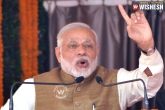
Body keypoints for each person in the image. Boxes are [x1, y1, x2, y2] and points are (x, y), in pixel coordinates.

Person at [1, 4, 164, 110]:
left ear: (97, 51)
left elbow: (149, 83)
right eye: (72, 45)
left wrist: (147, 46)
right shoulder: (33, 87)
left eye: (88, 45)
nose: (81, 51)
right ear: (58, 53)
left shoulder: (117, 81)